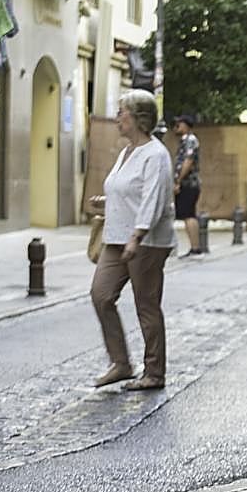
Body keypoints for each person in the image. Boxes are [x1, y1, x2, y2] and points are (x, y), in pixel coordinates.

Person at [88, 90, 177, 391]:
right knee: (101, 295)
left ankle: (155, 372)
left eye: (121, 111)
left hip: (147, 241)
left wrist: (137, 236)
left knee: (146, 306)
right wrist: (106, 200)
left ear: (139, 117)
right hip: (116, 237)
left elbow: (154, 199)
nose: (117, 117)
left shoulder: (156, 155)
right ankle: (121, 363)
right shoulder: (127, 152)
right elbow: (128, 190)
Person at [172, 115, 202, 257]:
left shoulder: (190, 140)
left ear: (186, 125)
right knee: (187, 214)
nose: (177, 125)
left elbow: (188, 161)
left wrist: (178, 180)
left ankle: (196, 247)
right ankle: (194, 247)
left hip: (188, 183)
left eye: (180, 123)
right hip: (186, 182)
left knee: (188, 214)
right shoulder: (185, 141)